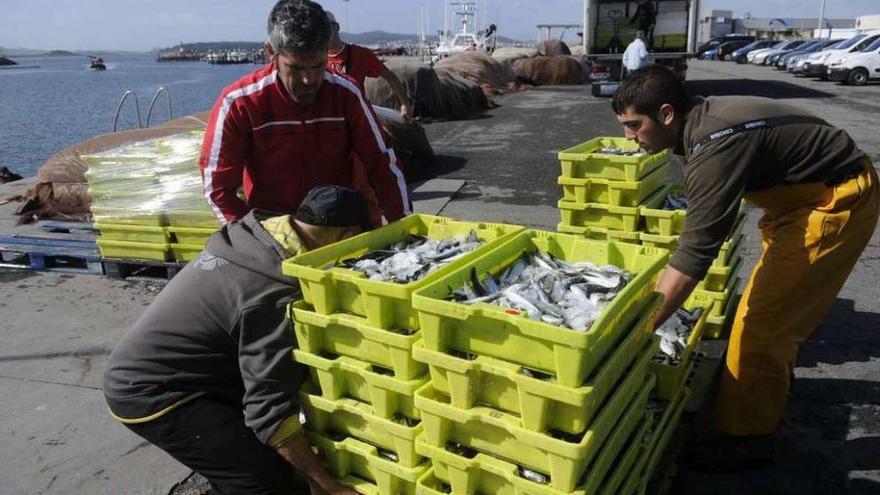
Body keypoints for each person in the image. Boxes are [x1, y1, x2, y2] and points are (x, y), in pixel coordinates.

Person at [612, 65, 879, 472]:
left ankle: (747, 440)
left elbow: (695, 255)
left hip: (832, 202)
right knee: (768, 313)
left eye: (634, 125)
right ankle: (759, 396)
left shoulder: (715, 141)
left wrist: (637, 329)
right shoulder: (701, 119)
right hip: (795, 201)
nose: (628, 137)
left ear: (666, 114)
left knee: (762, 325)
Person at [103, 185, 369, 495]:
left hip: (194, 369)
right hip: (153, 392)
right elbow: (268, 410)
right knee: (259, 481)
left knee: (262, 461)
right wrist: (329, 486)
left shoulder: (255, 238)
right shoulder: (274, 293)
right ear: (345, 237)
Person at [199, 0, 410, 226]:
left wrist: (404, 227)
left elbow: (381, 163)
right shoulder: (239, 104)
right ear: (271, 52)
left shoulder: (346, 94)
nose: (309, 80)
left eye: (318, 65)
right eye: (297, 68)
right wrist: (259, 239)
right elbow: (218, 189)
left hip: (340, 227)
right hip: (274, 234)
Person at [325, 11, 412, 121]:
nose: (323, 33)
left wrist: (404, 104)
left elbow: (389, 76)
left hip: (355, 119)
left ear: (337, 27)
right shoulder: (315, 59)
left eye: (326, 27)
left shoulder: (359, 54)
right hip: (329, 120)